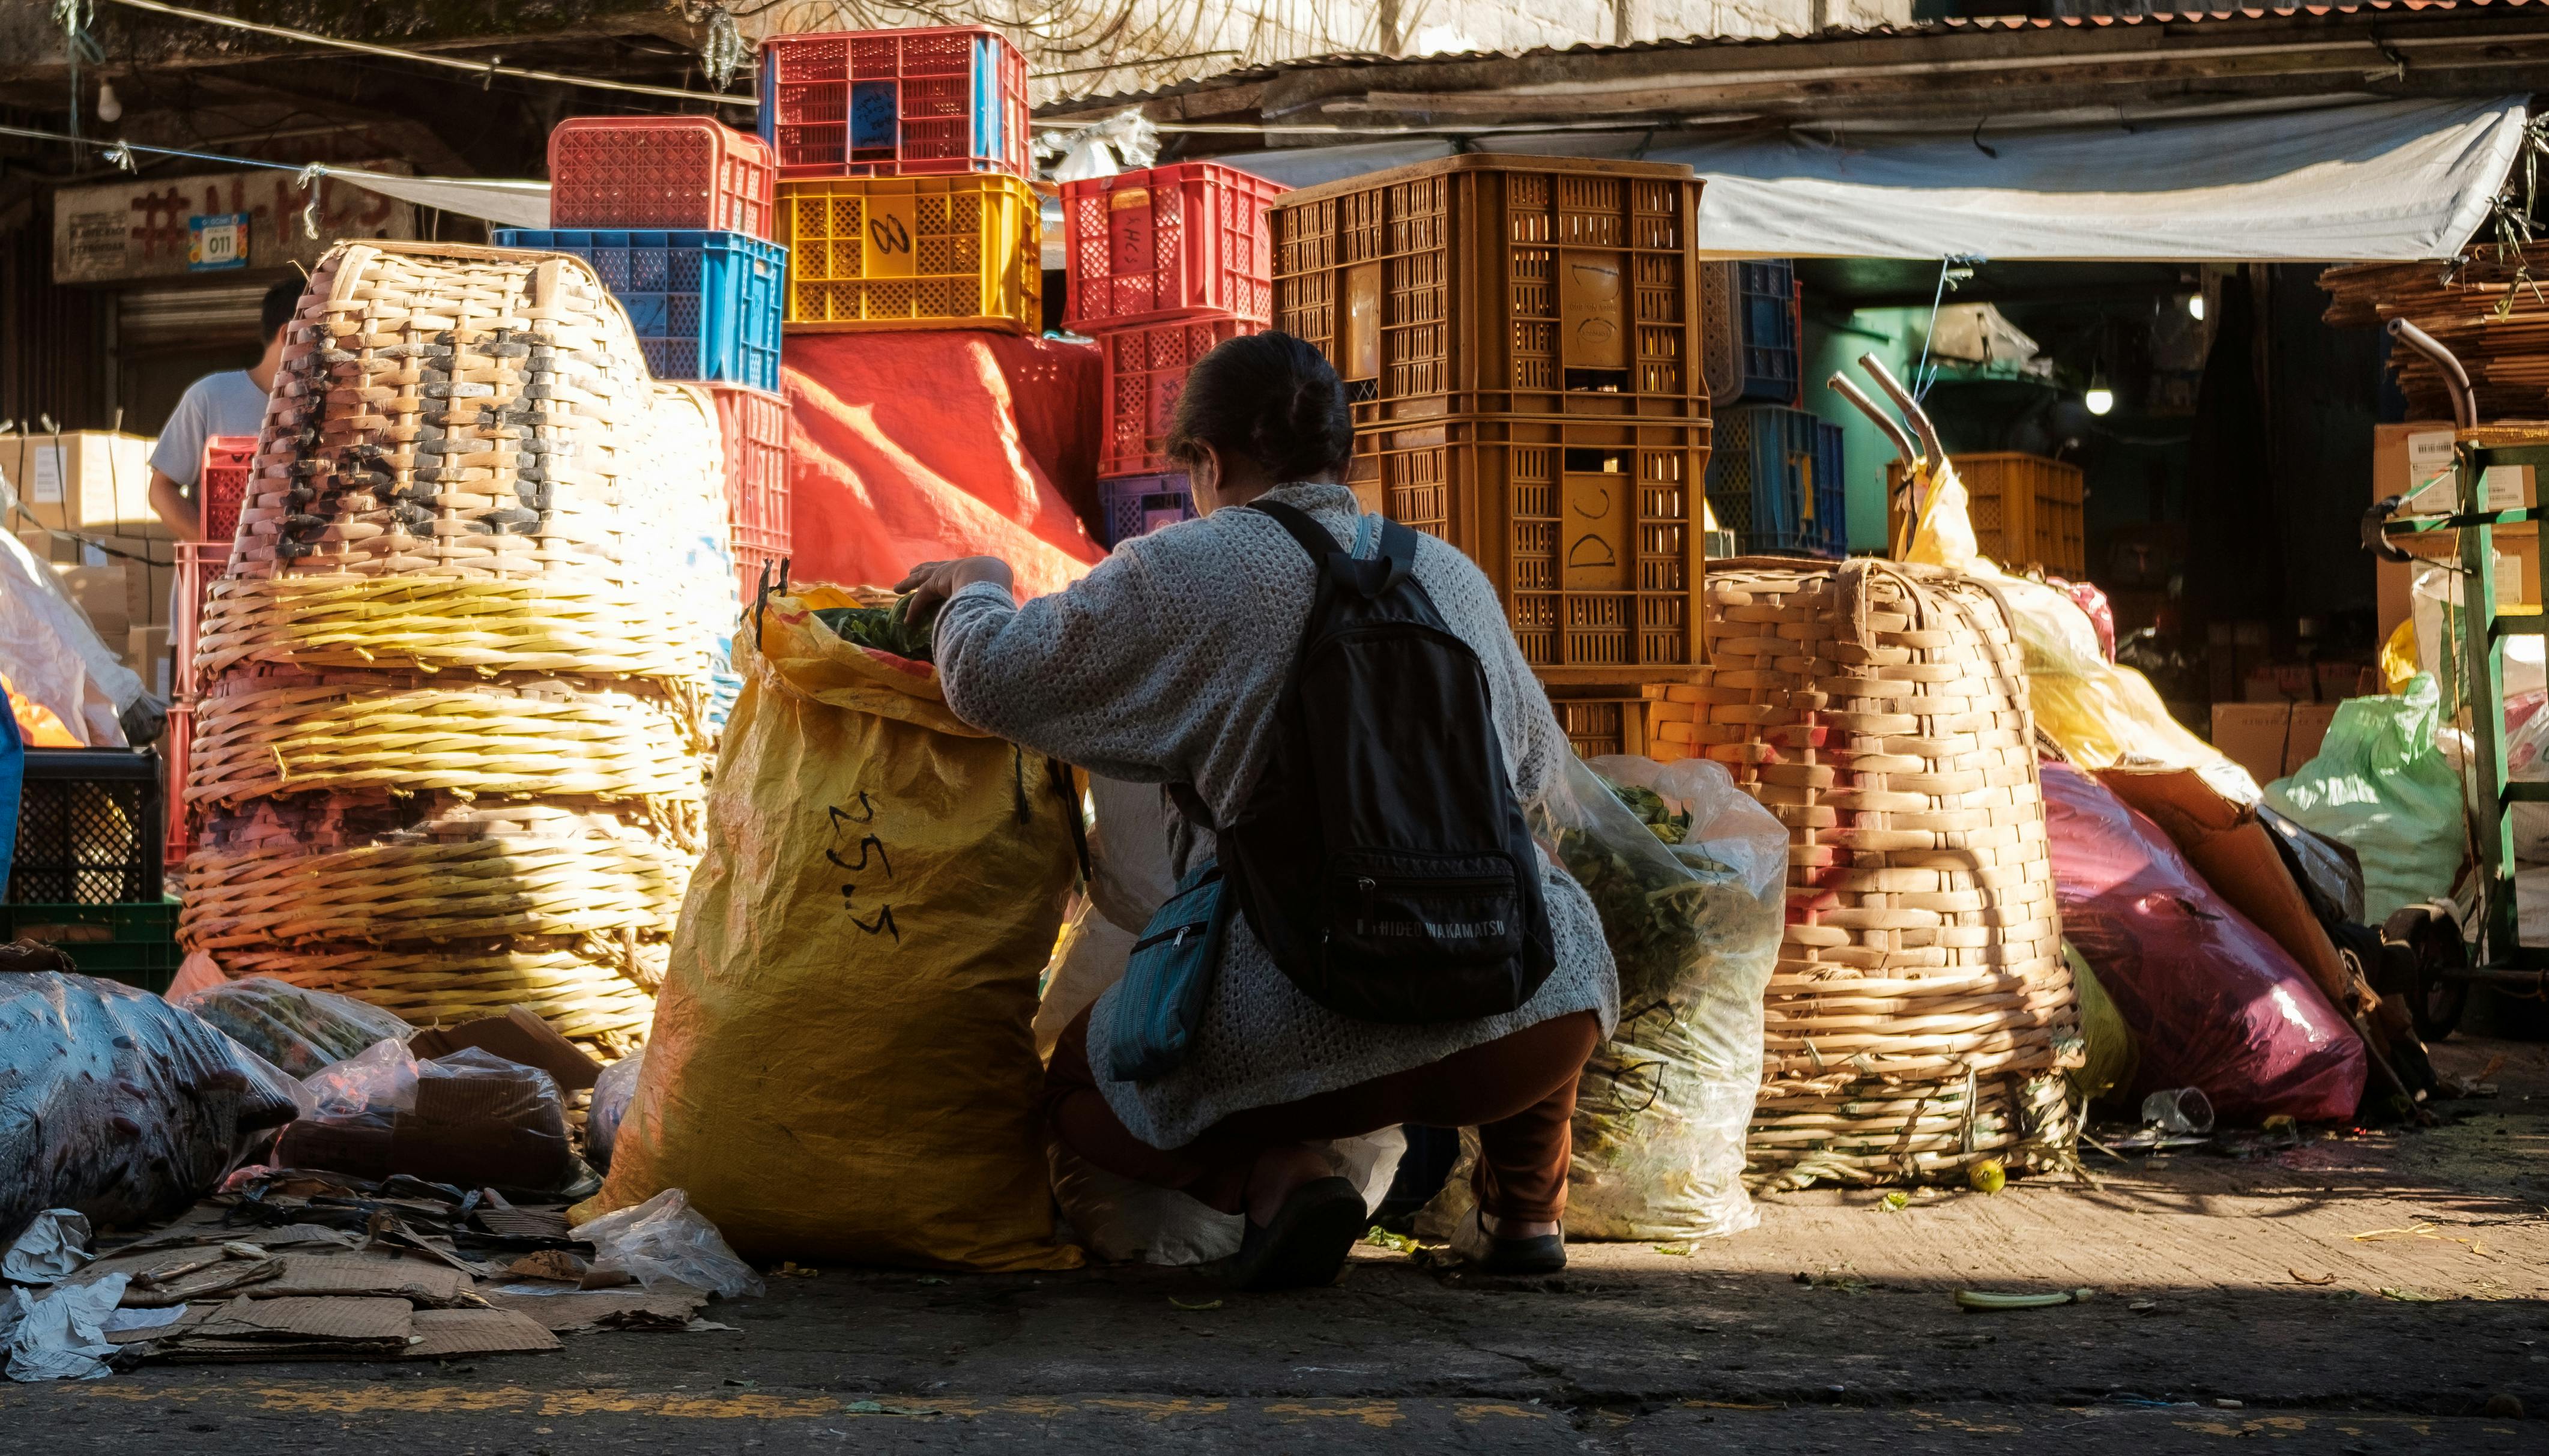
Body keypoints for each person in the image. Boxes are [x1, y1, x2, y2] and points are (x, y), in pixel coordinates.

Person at [900, 333, 1617, 1291]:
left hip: (1318, 1019)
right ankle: (1523, 1213)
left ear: (1207, 460)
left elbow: (994, 680)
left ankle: (1282, 1177)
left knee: (1075, 1084)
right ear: (1345, 458)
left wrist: (976, 588)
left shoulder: (1186, 567)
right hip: (1524, 1022)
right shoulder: (1448, 573)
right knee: (1550, 901)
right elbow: (1530, 775)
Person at [145, 278, 298, 541]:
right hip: (213, 581)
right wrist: (219, 554)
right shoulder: (210, 396)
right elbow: (161, 491)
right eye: (322, 338)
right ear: (287, 336)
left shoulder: (327, 411)